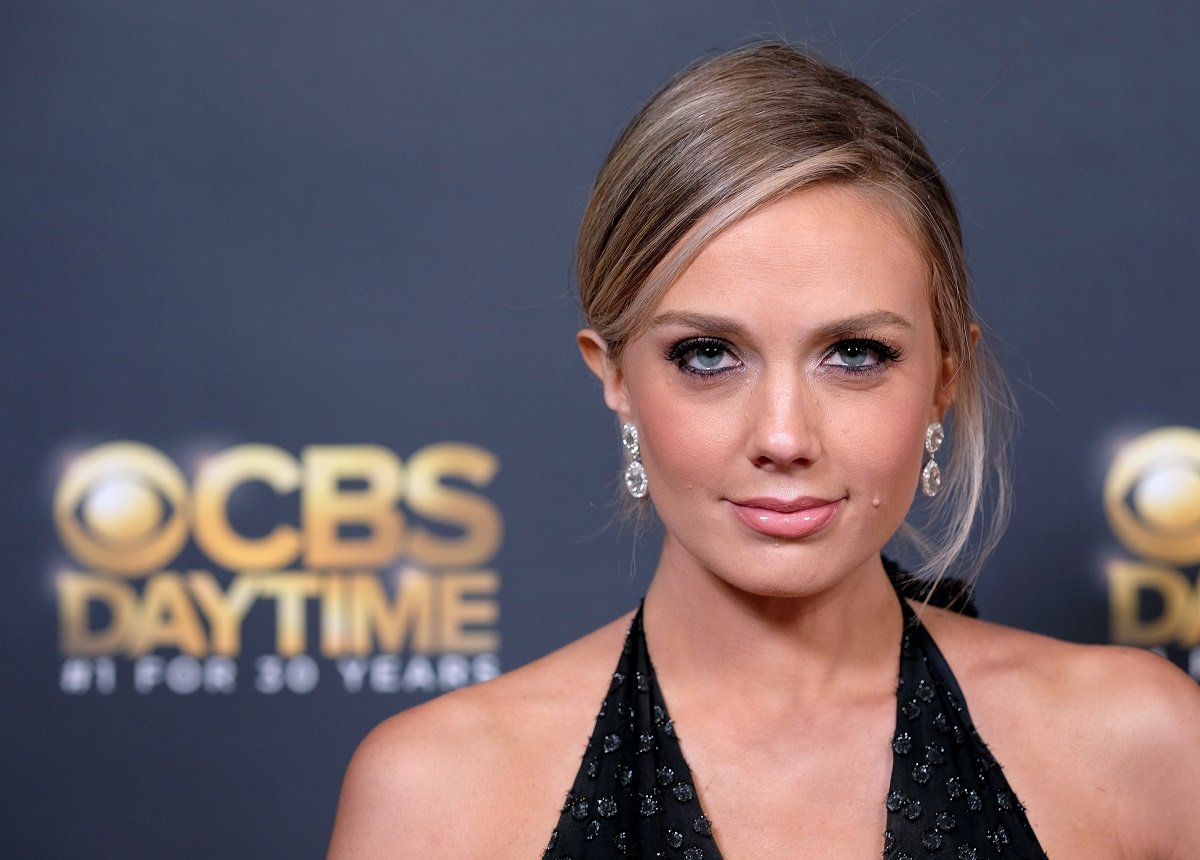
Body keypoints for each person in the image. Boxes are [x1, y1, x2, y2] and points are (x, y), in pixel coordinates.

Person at [328, 42, 1200, 859]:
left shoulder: (1144, 746)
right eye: (707, 355)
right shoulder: (436, 798)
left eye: (855, 353)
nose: (784, 437)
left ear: (944, 377)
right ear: (616, 377)